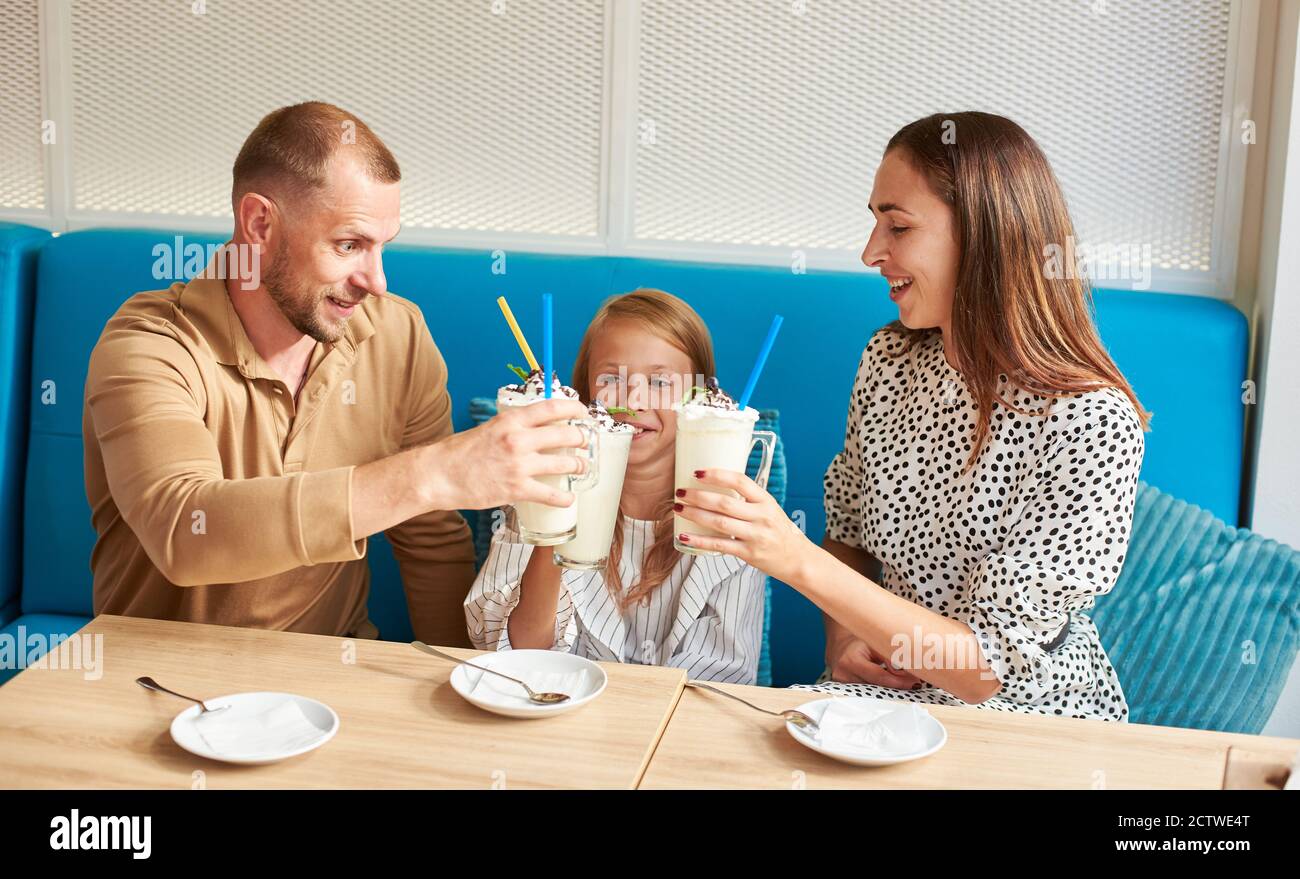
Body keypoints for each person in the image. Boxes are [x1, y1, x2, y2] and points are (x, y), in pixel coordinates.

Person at [674, 112, 1147, 719]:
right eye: (875, 222)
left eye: (898, 226)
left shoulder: (1090, 421)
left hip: (1024, 721)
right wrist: (841, 637)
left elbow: (987, 669)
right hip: (884, 699)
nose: (872, 251)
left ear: (985, 237)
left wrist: (791, 558)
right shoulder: (888, 360)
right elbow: (848, 532)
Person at [84, 102, 590, 646]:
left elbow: (429, 543)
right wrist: (431, 475)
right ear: (259, 224)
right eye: (348, 245)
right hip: (157, 684)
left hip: (331, 678)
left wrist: (469, 684)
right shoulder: (150, 344)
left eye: (381, 246)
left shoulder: (396, 333)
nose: (375, 280)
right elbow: (186, 530)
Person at [466, 289, 766, 683]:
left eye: (660, 381)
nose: (633, 400)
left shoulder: (730, 516)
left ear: (701, 399)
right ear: (585, 393)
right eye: (611, 378)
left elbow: (724, 677)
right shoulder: (537, 488)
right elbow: (508, 652)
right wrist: (556, 525)